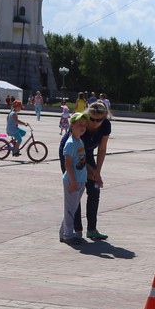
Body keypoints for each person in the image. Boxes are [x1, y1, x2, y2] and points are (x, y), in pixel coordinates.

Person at [70, 101, 112, 242]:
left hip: (87, 154)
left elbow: (102, 148)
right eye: (92, 119)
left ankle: (92, 230)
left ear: (104, 117)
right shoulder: (82, 122)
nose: (94, 122)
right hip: (71, 154)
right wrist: (89, 169)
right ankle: (77, 230)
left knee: (94, 191)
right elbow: (76, 152)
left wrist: (97, 172)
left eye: (98, 120)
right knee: (76, 191)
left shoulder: (105, 125)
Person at [58, 113, 89, 245]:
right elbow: (68, 164)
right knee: (70, 209)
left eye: (84, 125)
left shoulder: (80, 141)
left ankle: (63, 232)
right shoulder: (70, 143)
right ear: (72, 125)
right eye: (79, 124)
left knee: (72, 208)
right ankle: (68, 235)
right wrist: (73, 181)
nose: (82, 127)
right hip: (72, 181)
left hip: (80, 180)